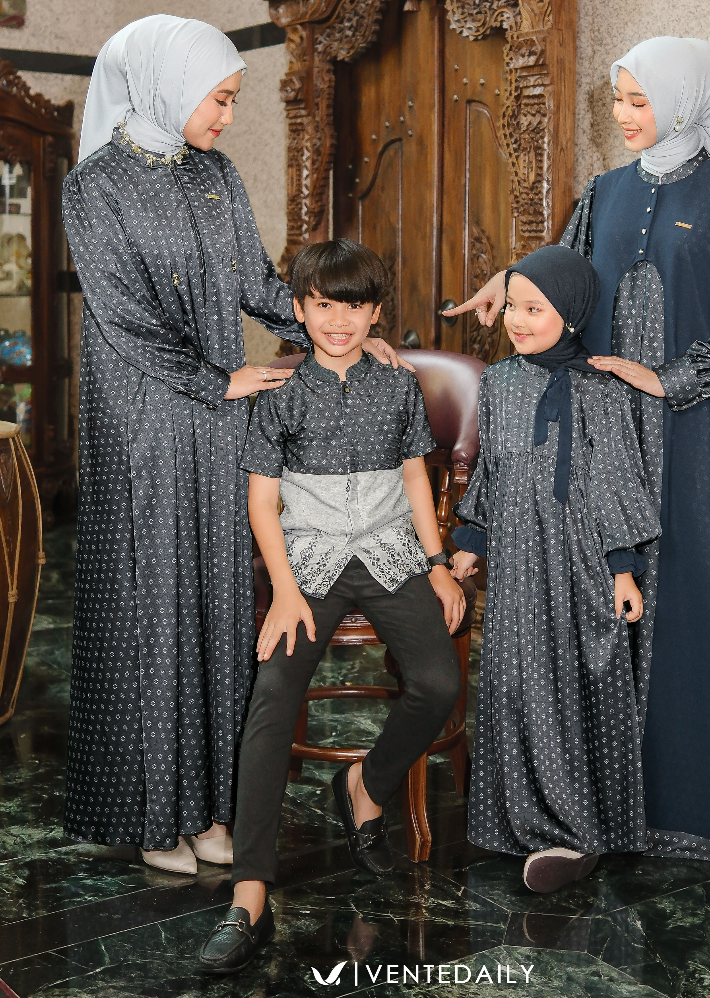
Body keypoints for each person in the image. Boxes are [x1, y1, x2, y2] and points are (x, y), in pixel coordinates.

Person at [446, 37, 710, 895]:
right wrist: (509, 280)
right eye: (618, 98)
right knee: (600, 607)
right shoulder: (603, 193)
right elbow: (565, 282)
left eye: (636, 100)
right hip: (602, 433)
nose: (621, 115)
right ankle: (602, 813)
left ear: (683, 100)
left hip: (701, 437)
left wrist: (671, 379)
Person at [63, 16, 404, 874]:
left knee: (216, 607)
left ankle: (211, 807)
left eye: (230, 100)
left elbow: (258, 282)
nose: (224, 116)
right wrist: (216, 379)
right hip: (143, 421)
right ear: (170, 88)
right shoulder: (93, 185)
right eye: (217, 100)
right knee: (154, 607)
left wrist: (339, 325)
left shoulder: (214, 174)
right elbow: (122, 316)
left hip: (217, 417)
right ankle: (155, 817)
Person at [198, 239, 464, 974]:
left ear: (375, 313)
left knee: (440, 683)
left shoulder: (398, 386)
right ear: (299, 309)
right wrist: (285, 590)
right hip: (308, 563)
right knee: (272, 699)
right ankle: (249, 896)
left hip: (388, 552)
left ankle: (365, 786)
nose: (338, 321)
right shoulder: (279, 394)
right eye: (322, 306)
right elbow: (262, 502)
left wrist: (437, 564)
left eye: (354, 307)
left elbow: (415, 478)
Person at [448, 246, 660, 895]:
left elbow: (616, 480)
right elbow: (491, 470)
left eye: (533, 309)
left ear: (569, 314)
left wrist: (622, 570)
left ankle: (579, 831)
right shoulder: (497, 382)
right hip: (517, 563)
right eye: (512, 306)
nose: (516, 320)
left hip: (579, 563)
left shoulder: (601, 388)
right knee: (518, 682)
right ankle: (523, 822)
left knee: (572, 684)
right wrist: (471, 539)